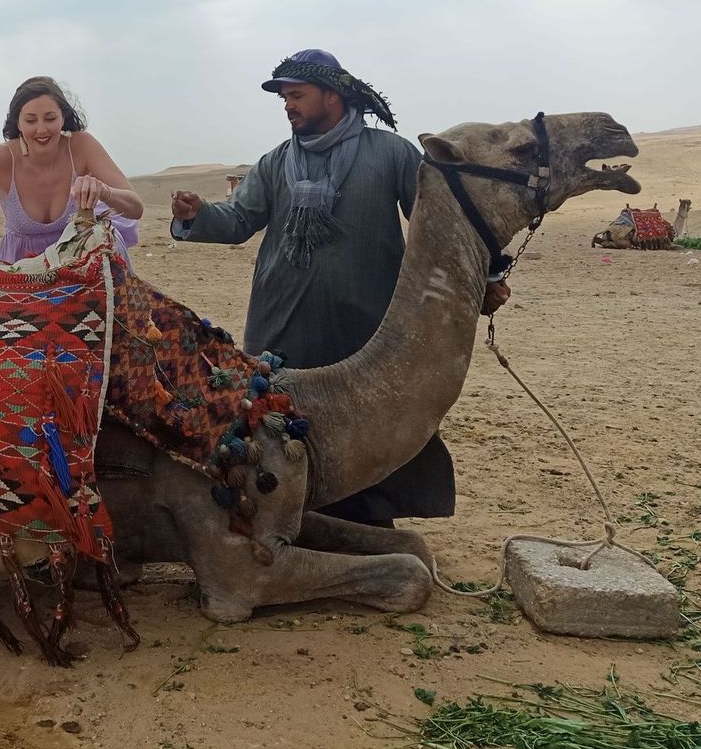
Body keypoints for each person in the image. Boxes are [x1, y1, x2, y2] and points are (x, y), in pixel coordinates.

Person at [169, 48, 508, 525]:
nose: (288, 105)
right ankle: (291, 517)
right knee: (280, 420)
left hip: (369, 324)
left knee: (370, 423)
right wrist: (197, 215)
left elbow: (440, 224)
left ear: (332, 94)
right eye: (284, 97)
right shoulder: (276, 162)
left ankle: (371, 520)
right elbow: (239, 219)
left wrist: (487, 275)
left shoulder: (391, 153)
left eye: (297, 95)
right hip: (283, 320)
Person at [0, 76, 143, 264]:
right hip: (21, 270)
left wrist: (104, 191)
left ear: (63, 117)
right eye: (31, 120)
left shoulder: (81, 146)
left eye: (50, 118)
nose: (42, 129)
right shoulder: (2, 158)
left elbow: (135, 208)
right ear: (17, 123)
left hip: (77, 264)